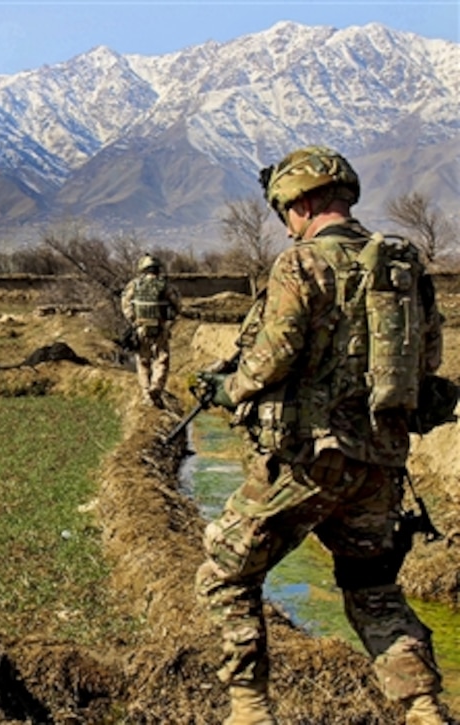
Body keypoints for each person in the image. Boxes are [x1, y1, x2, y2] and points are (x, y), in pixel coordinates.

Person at [194, 146, 449, 725]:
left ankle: (249, 707)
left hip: (307, 461)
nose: (286, 223)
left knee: (225, 572)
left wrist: (226, 389)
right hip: (380, 463)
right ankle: (425, 708)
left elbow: (271, 357)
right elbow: (427, 360)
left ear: (301, 202)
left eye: (285, 211)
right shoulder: (403, 264)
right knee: (373, 589)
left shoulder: (300, 265)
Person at [120, 254, 181, 407]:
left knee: (143, 361)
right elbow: (178, 305)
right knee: (162, 360)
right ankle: (156, 386)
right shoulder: (165, 285)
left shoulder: (135, 284)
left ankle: (147, 393)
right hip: (160, 328)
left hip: (141, 329)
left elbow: (125, 303)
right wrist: (171, 318)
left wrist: (134, 321)